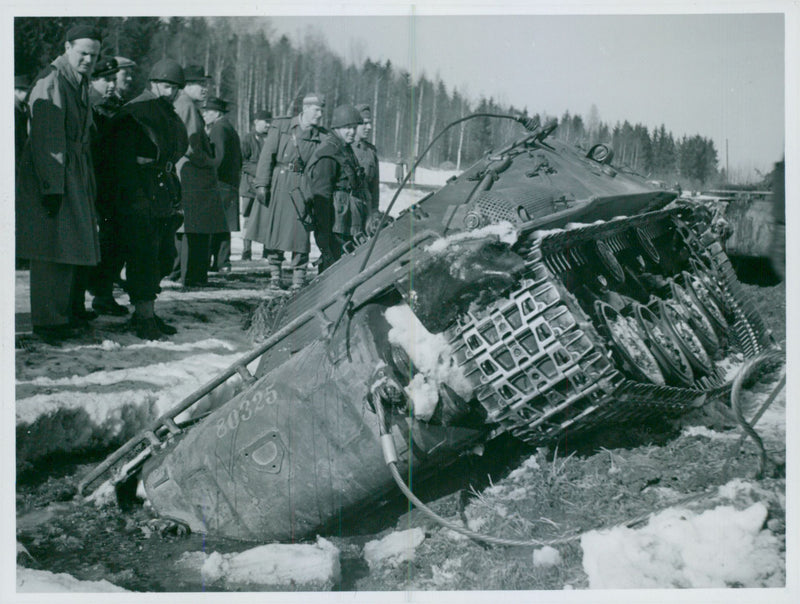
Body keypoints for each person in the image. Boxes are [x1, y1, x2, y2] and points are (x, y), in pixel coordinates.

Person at [16, 24, 102, 342]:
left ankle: (60, 315)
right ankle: (48, 321)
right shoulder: (52, 81)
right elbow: (47, 140)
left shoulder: (77, 81)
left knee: (67, 246)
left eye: (93, 56)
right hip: (53, 173)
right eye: (82, 54)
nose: (88, 60)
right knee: (51, 248)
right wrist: (52, 187)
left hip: (72, 173)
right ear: (67, 47)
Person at [95, 59, 189, 339]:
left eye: (175, 87)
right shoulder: (136, 112)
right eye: (165, 85)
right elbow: (120, 161)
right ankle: (144, 315)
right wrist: (135, 198)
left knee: (163, 254)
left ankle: (145, 312)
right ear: (153, 84)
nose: (170, 91)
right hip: (136, 195)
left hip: (160, 193)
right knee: (143, 255)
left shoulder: (164, 112)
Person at [249, 92, 326, 290]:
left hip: (303, 188)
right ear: (306, 108)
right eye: (317, 109)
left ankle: (298, 279)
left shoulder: (321, 136)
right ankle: (275, 276)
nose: (320, 114)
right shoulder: (282, 127)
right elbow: (267, 156)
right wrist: (261, 185)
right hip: (279, 183)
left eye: (322, 110)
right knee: (274, 231)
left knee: (300, 235)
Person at [172, 64, 226, 287]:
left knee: (190, 228)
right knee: (196, 228)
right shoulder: (187, 105)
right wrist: (210, 162)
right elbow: (192, 146)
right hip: (194, 176)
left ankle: (186, 275)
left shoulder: (184, 104)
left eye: (206, 84)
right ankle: (193, 278)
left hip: (189, 174)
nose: (205, 88)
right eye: (200, 84)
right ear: (186, 85)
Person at [87, 56, 130, 316]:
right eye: (106, 80)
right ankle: (96, 294)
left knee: (115, 242)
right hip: (95, 183)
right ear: (93, 80)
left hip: (114, 185)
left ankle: (103, 294)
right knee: (100, 243)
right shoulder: (88, 106)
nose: (112, 85)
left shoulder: (114, 107)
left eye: (114, 79)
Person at [306, 104, 367, 273]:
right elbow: (321, 195)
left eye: (354, 128)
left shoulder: (344, 149)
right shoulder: (329, 153)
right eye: (347, 128)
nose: (352, 132)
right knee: (332, 270)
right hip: (335, 225)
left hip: (346, 221)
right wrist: (323, 233)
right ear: (336, 128)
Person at [202, 96, 242, 273]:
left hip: (219, 184)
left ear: (216, 113)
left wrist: (208, 176)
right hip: (229, 184)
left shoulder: (218, 128)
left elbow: (219, 158)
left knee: (214, 225)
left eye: (207, 111)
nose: (204, 115)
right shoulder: (228, 127)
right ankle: (222, 262)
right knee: (223, 226)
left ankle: (218, 262)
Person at [239, 109, 271, 260]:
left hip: (266, 187)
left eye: (270, 122)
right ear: (256, 122)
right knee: (247, 219)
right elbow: (242, 162)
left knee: (267, 218)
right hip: (249, 188)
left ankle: (267, 250)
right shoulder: (247, 139)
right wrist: (260, 172)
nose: (268, 125)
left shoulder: (271, 139)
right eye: (266, 122)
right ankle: (246, 251)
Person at [352, 103, 380, 219]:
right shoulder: (344, 149)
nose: (369, 127)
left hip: (366, 212)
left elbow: (374, 187)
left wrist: (374, 212)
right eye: (364, 123)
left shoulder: (371, 151)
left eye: (370, 123)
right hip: (349, 211)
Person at [15, 74, 30, 173]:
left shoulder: (22, 106)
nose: (28, 94)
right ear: (17, 91)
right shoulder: (13, 109)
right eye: (26, 91)